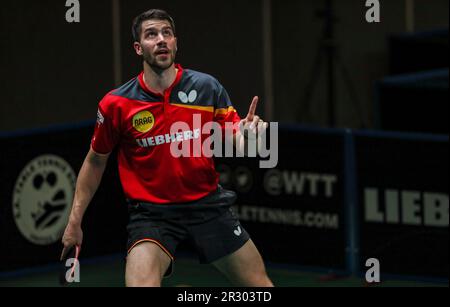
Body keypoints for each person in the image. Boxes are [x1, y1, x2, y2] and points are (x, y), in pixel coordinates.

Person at [61, 8, 273, 287]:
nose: (161, 40)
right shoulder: (117, 105)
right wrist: (75, 221)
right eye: (151, 35)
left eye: (167, 33)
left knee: (261, 287)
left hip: (207, 205)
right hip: (152, 214)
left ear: (176, 42)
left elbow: (234, 139)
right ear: (138, 48)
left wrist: (251, 135)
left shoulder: (207, 87)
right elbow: (95, 161)